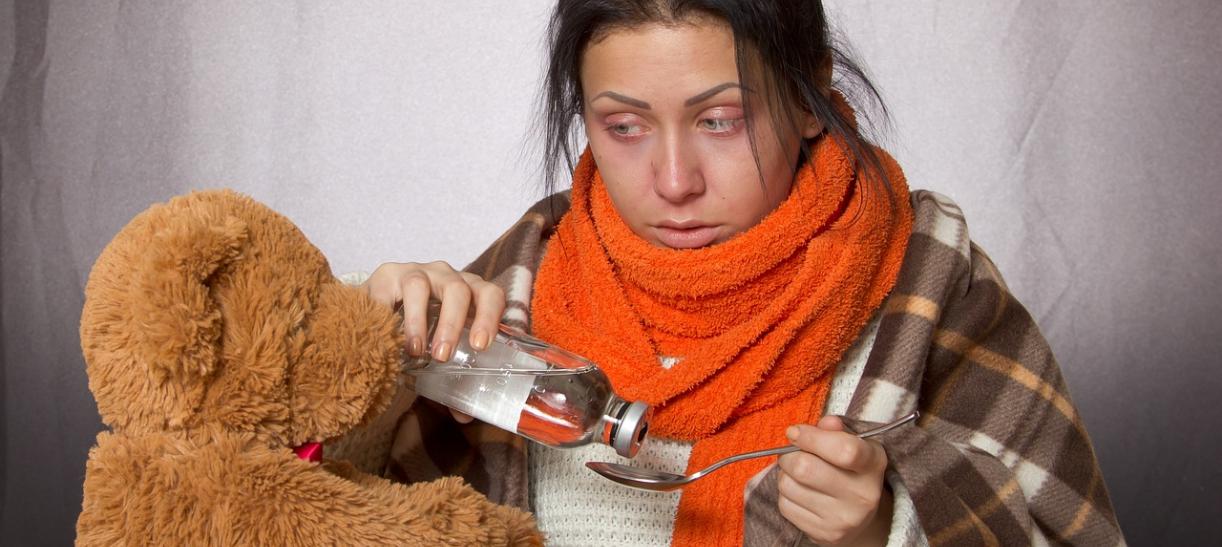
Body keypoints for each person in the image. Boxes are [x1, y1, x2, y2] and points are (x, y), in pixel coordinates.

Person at [357, 1, 1125, 545]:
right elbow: (328, 503)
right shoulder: (523, 275)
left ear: (809, 96)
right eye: (623, 126)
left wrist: (885, 526)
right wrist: (369, 379)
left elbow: (1069, 530)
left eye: (720, 120)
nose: (675, 180)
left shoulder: (926, 287)